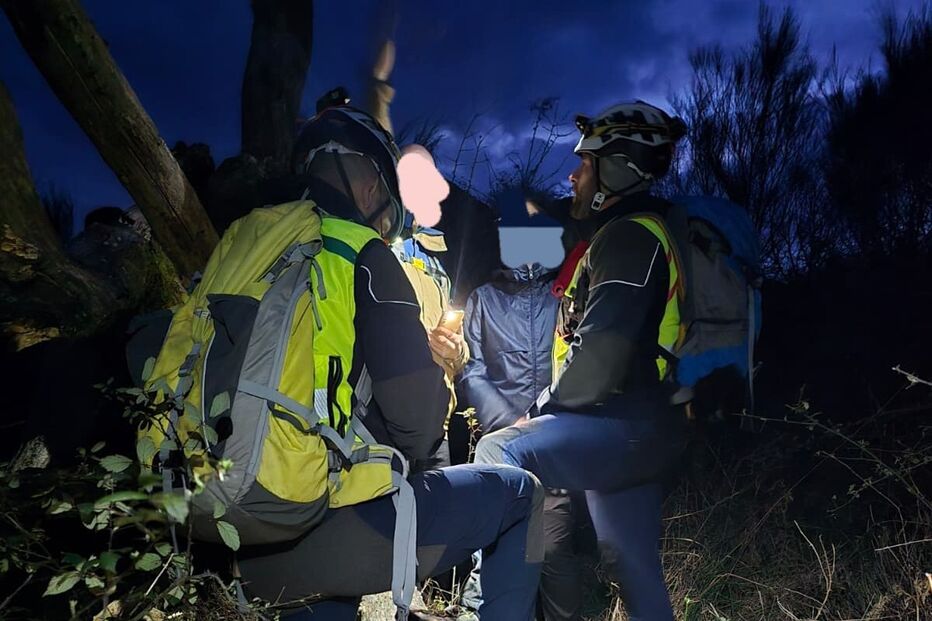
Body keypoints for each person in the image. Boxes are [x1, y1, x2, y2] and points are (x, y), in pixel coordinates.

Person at [235, 105, 544, 621]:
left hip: (231, 528)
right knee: (520, 495)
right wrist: (435, 370)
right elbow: (419, 431)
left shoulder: (249, 242)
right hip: (327, 523)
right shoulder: (365, 253)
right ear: (374, 184)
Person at [472, 100, 690, 621]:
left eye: (586, 164)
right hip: (645, 426)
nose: (574, 175)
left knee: (501, 450)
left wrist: (539, 411)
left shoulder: (631, 237)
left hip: (624, 423)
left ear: (617, 168)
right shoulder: (627, 234)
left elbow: (601, 359)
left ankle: (489, 614)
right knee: (632, 564)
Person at [459, 262, 589, 621]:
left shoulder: (566, 296)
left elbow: (580, 360)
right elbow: (471, 368)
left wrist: (545, 416)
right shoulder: (484, 299)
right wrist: (507, 419)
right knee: (491, 545)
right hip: (498, 445)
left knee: (554, 544)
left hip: (552, 442)